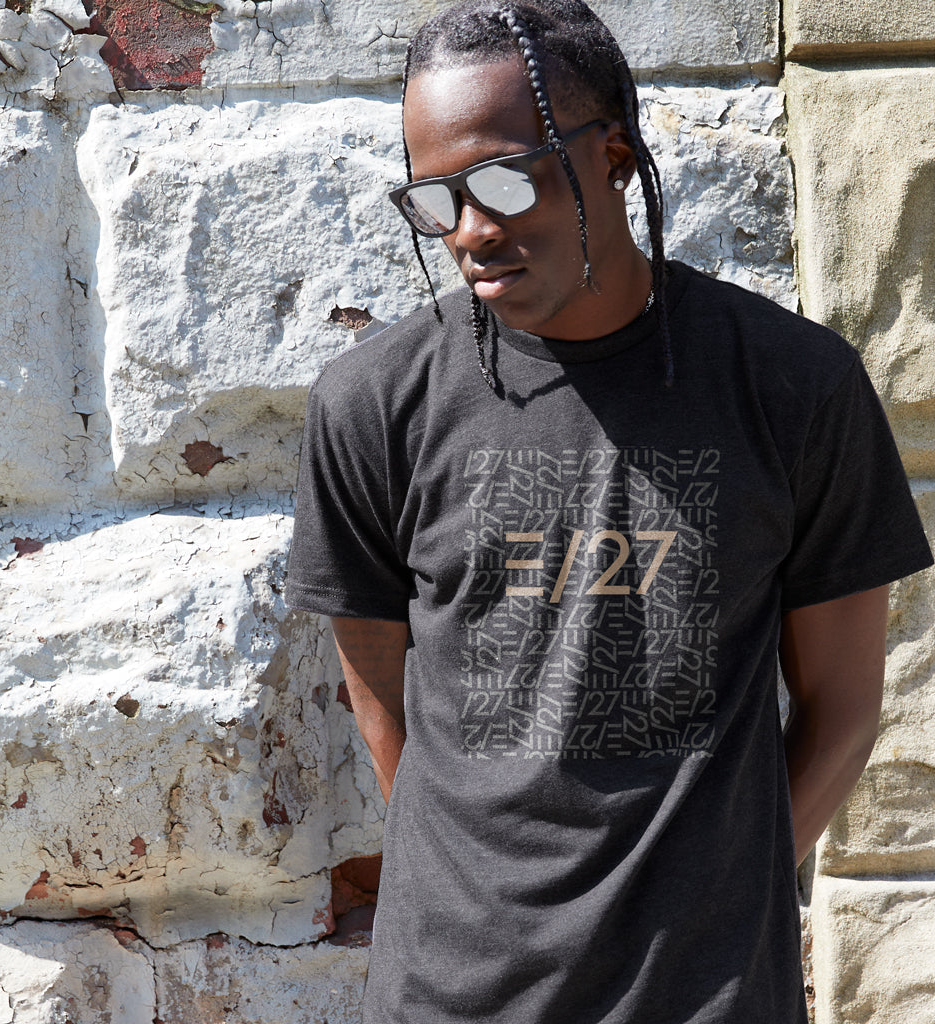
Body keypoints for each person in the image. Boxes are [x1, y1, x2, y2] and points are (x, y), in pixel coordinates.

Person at [286, 2, 934, 1021]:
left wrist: (715, 896)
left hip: (707, 993)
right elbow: (383, 709)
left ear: (615, 155)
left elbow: (844, 711)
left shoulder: (791, 385)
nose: (470, 230)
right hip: (452, 993)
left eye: (502, 180)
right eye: (435, 199)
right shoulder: (373, 403)